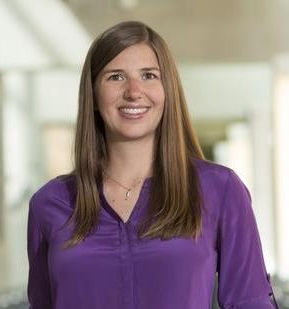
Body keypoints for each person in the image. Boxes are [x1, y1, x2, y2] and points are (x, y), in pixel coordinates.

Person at [27, 21, 278, 309]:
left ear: (167, 90)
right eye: (116, 77)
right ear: (93, 95)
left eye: (148, 75)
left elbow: (251, 302)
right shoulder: (50, 203)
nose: (134, 91)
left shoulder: (219, 190)